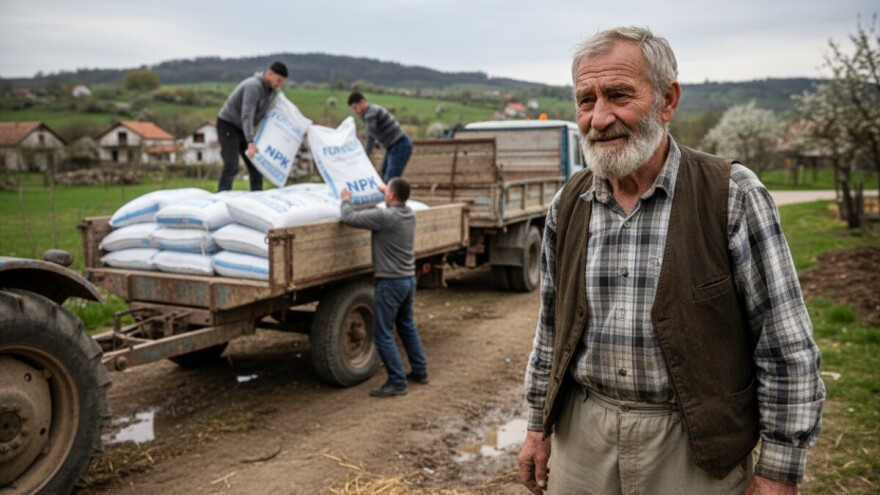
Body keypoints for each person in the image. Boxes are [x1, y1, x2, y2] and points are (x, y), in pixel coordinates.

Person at [518, 27, 825, 495]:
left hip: (693, 446)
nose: (599, 118)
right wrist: (538, 426)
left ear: (667, 100)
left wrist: (779, 468)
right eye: (586, 100)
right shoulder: (569, 202)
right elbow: (550, 331)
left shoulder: (732, 195)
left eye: (619, 95)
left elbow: (785, 347)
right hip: (582, 438)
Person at [340, 178, 428, 397]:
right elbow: (394, 202)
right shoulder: (409, 214)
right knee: (406, 325)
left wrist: (345, 200)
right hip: (408, 280)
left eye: (386, 190)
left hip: (390, 282)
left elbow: (349, 217)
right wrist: (385, 193)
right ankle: (420, 371)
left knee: (382, 333)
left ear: (391, 196)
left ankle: (397, 382)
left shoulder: (384, 217)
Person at [216, 61, 288, 191]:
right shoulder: (253, 86)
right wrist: (250, 141)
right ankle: (221, 196)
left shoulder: (271, 92)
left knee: (256, 165)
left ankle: (257, 198)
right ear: (270, 74)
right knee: (232, 165)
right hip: (228, 124)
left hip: (243, 128)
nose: (279, 84)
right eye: (278, 80)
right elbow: (247, 115)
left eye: (281, 82)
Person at [348, 92, 413, 182]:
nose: (355, 111)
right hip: (394, 146)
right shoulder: (372, 111)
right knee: (383, 178)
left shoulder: (370, 114)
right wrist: (377, 143)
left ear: (362, 102)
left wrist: (365, 156)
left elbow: (370, 136)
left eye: (355, 108)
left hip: (399, 146)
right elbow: (378, 132)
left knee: (390, 181)